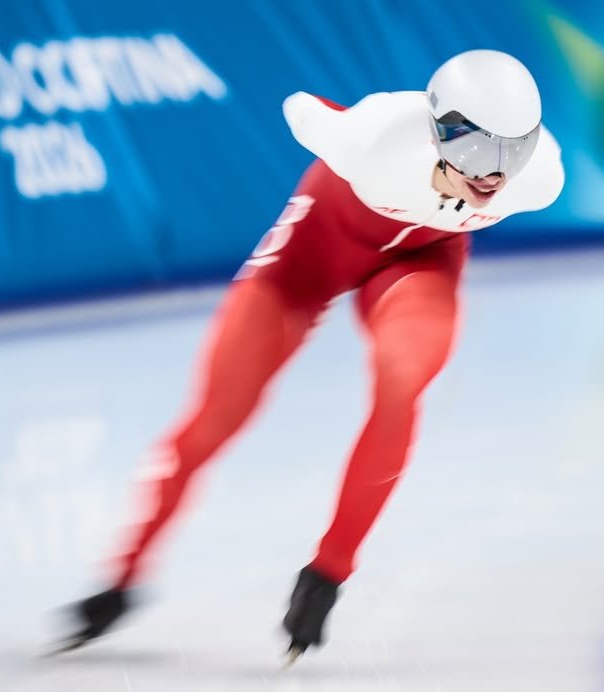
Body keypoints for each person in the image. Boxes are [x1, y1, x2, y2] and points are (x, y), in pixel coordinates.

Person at [57, 49, 565, 661]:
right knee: (215, 417)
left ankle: (328, 573)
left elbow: (504, 164)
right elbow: (302, 107)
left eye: (514, 150)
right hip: (312, 254)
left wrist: (330, 571)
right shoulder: (373, 138)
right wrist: (333, 122)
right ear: (438, 132)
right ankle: (120, 579)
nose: (493, 175)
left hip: (418, 263)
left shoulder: (540, 177)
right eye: (479, 150)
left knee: (404, 379)